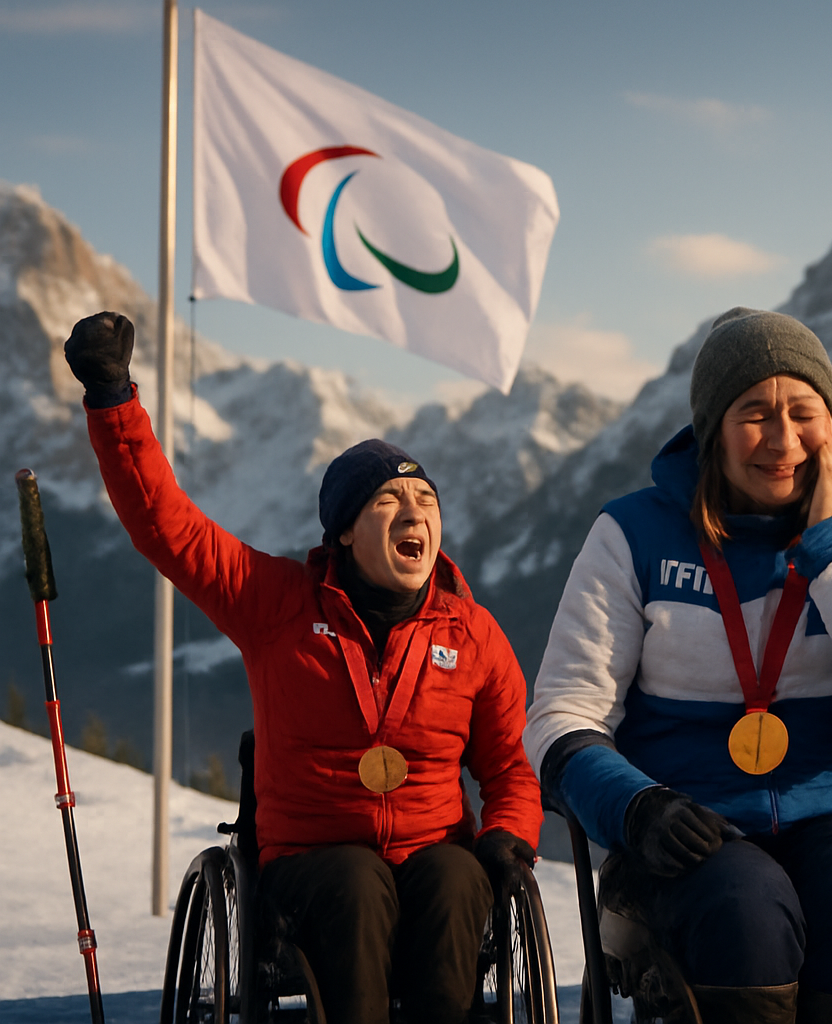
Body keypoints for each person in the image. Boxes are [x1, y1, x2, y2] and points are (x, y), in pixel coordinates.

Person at [64, 311, 541, 1024]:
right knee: (355, 882)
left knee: (454, 874)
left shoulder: (473, 634)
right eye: (389, 501)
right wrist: (112, 401)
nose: (414, 513)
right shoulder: (276, 602)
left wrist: (508, 836)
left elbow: (509, 767)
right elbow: (168, 527)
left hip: (430, 852)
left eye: (426, 501)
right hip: (312, 864)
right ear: (345, 531)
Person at [527, 307, 832, 1024]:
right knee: (746, 916)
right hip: (688, 818)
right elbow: (561, 716)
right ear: (711, 428)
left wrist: (830, 543)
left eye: (803, 412)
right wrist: (638, 808)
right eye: (755, 414)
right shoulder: (632, 534)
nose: (784, 439)